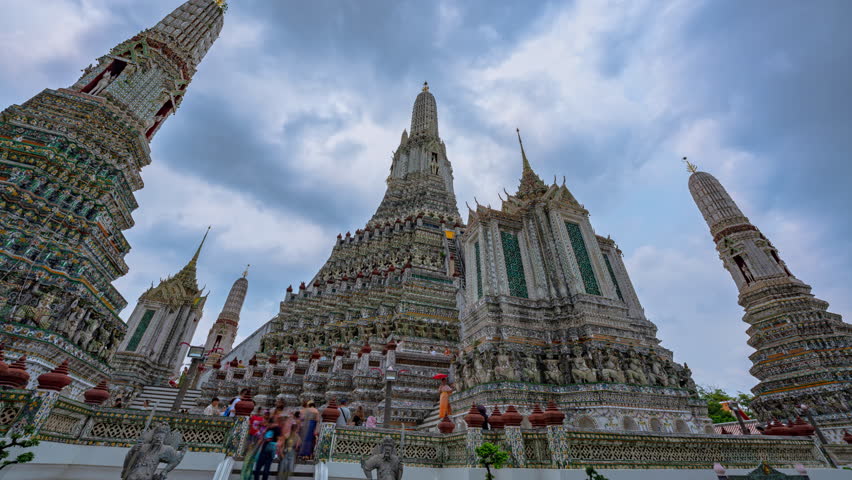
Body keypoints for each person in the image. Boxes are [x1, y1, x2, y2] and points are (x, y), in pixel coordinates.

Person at [252, 415, 281, 480]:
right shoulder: (272, 428)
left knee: (260, 468)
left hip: (267, 450)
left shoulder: (276, 428)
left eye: (269, 423)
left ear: (271, 423)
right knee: (263, 469)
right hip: (268, 449)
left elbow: (278, 439)